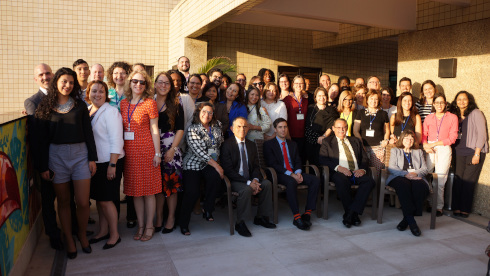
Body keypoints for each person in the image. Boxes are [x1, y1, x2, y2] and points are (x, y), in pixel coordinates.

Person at [35, 67, 97, 259]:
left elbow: (88, 133)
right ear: (56, 83)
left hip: (80, 155)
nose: (68, 85)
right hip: (56, 157)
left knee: (82, 202)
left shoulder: (79, 106)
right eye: (64, 81)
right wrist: (43, 166)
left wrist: (92, 158)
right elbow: (39, 140)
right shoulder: (44, 106)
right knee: (62, 201)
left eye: (71, 82)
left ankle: (81, 233)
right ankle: (69, 238)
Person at [25, 63, 65, 250]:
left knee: (68, 197)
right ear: (36, 79)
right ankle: (53, 235)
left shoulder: (63, 96)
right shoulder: (32, 102)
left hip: (67, 158)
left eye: (48, 73)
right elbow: (37, 139)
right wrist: (42, 167)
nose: (45, 77)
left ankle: (71, 229)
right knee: (49, 201)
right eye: (41, 74)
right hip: (48, 161)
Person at [120, 70, 162, 242]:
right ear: (130, 83)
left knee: (149, 192)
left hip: (146, 151)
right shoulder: (123, 104)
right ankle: (141, 225)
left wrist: (157, 153)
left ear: (146, 86)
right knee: (135, 193)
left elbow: (154, 130)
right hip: (129, 153)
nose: (138, 84)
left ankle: (150, 226)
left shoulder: (150, 103)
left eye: (142, 82)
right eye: (135, 81)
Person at [221, 117, 276, 237]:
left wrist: (255, 180)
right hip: (235, 180)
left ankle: (261, 217)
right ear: (232, 129)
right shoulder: (227, 145)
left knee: (266, 184)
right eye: (239, 126)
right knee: (246, 189)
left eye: (245, 126)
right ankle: (240, 223)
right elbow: (229, 170)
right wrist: (248, 183)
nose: (242, 129)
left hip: (250, 178)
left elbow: (256, 166)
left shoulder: (251, 144)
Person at [86, 80, 124, 249]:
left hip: (110, 161)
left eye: (101, 91)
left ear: (106, 94)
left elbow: (117, 139)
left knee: (107, 200)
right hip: (96, 162)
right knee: (100, 200)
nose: (98, 94)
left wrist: (113, 164)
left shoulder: (111, 111)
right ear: (88, 93)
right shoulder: (88, 110)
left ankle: (114, 234)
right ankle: (102, 231)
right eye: (94, 91)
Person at [263, 118, 320, 230]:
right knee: (291, 181)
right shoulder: (269, 144)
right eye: (280, 127)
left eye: (285, 127)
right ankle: (296, 216)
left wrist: (298, 173)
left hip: (294, 172)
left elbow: (298, 160)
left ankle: (307, 213)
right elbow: (273, 164)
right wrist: (291, 174)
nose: (283, 130)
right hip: (279, 174)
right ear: (275, 129)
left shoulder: (292, 144)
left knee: (315, 179)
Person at [319, 118, 375, 228]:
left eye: (344, 127)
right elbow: (322, 160)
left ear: (347, 128)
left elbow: (365, 158)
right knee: (341, 180)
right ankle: (353, 214)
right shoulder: (327, 142)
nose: (341, 130)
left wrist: (362, 170)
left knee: (369, 182)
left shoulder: (356, 141)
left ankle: (350, 213)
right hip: (339, 173)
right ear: (333, 129)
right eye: (338, 127)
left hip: (356, 172)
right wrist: (338, 167)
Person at [179, 103, 224, 236]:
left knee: (215, 177)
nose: (207, 115)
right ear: (198, 113)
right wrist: (217, 165)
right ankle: (183, 223)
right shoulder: (193, 129)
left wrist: (216, 163)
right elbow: (198, 151)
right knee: (192, 192)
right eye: (204, 112)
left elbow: (218, 145)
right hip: (193, 163)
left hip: (209, 164)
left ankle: (208, 209)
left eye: (210, 112)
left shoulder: (217, 127)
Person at [153, 72, 185, 233]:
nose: (163, 85)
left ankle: (171, 218)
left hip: (171, 147)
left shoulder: (176, 103)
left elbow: (180, 129)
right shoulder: (148, 101)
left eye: (167, 83)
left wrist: (172, 149)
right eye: (161, 82)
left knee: (171, 186)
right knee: (157, 186)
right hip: (152, 147)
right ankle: (158, 217)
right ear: (155, 84)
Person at [449, 91, 487, 218]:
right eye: (459, 99)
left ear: (469, 100)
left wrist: (477, 154)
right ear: (456, 101)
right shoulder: (455, 115)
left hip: (473, 152)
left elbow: (482, 134)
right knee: (458, 180)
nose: (462, 102)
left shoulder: (476, 113)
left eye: (464, 99)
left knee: (468, 181)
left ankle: (465, 208)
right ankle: (456, 207)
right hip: (459, 152)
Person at [386, 130, 429, 236]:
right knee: (404, 185)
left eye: (411, 138)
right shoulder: (395, 150)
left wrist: (415, 173)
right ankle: (412, 222)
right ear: (401, 139)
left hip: (415, 176)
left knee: (421, 187)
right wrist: (405, 174)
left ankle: (406, 220)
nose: (408, 140)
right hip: (399, 176)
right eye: (406, 138)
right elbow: (392, 167)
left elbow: (424, 168)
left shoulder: (418, 152)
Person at [422, 92, 458, 216]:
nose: (439, 105)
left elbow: (452, 138)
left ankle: (438, 206)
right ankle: (428, 201)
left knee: (441, 178)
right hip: (429, 148)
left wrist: (434, 144)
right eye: (437, 102)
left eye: (442, 102)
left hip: (443, 147)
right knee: (425, 174)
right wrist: (426, 145)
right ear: (433, 104)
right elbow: (423, 135)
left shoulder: (452, 117)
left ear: (446, 104)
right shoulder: (428, 117)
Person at [353, 89, 390, 171]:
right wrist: (361, 144)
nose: (373, 101)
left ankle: (377, 184)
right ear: (367, 100)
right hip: (363, 147)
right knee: (363, 170)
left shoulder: (383, 114)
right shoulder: (361, 113)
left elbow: (387, 130)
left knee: (377, 172)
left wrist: (386, 140)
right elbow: (355, 130)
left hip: (378, 148)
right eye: (371, 98)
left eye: (376, 99)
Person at [305, 87, 339, 166]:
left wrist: (323, 136)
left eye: (323, 96)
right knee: (310, 163)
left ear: (327, 97)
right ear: (315, 97)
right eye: (319, 96)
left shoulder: (331, 110)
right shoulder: (310, 107)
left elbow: (332, 126)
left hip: (321, 141)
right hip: (309, 140)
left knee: (319, 163)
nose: (321, 98)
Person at [283, 75, 309, 164]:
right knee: (292, 160)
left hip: (304, 136)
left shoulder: (306, 100)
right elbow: (284, 118)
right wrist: (287, 134)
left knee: (301, 160)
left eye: (301, 83)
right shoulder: (287, 100)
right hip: (291, 135)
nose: (299, 85)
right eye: (297, 83)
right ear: (293, 85)